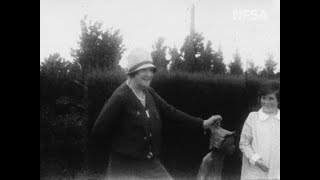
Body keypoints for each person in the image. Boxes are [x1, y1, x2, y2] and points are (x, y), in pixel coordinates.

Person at [88, 47, 223, 180]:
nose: (149, 74)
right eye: (144, 70)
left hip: (149, 163)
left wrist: (203, 123)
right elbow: (99, 131)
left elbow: (171, 112)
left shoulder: (149, 92)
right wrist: (121, 148)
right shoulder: (120, 97)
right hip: (123, 166)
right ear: (132, 72)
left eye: (151, 70)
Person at [239, 80, 280, 180]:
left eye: (271, 99)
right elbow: (244, 144)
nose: (266, 102)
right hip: (255, 172)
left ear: (278, 100)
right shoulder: (253, 118)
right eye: (263, 98)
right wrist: (256, 160)